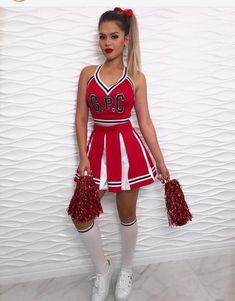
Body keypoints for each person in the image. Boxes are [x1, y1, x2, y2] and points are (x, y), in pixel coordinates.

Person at [70, 6, 170, 301]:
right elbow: (80, 118)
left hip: (129, 150)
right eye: (102, 37)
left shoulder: (136, 77)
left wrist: (161, 163)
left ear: (126, 38)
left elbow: (146, 122)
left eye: (114, 36)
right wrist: (83, 157)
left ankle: (126, 269)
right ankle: (103, 269)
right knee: (81, 215)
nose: (107, 42)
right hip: (97, 148)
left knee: (127, 214)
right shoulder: (88, 74)